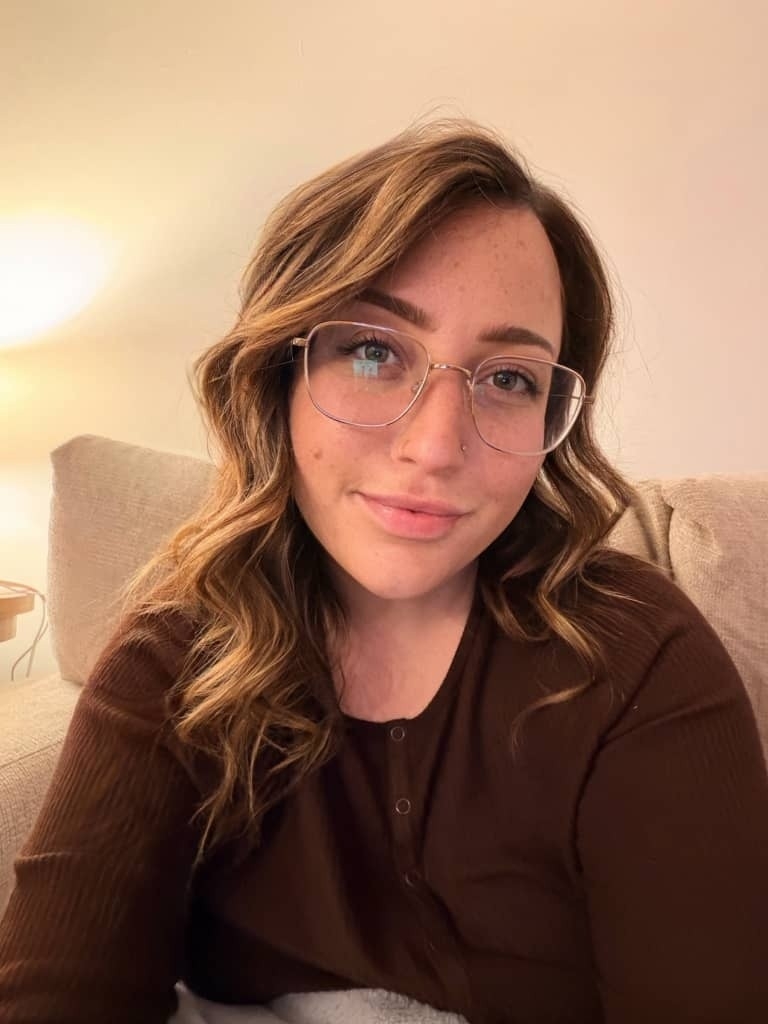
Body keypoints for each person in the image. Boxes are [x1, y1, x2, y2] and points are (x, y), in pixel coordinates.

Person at [0, 121, 767, 1024]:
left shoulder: (634, 659)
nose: (436, 446)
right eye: (373, 352)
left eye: (509, 379)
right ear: (278, 376)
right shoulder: (175, 658)